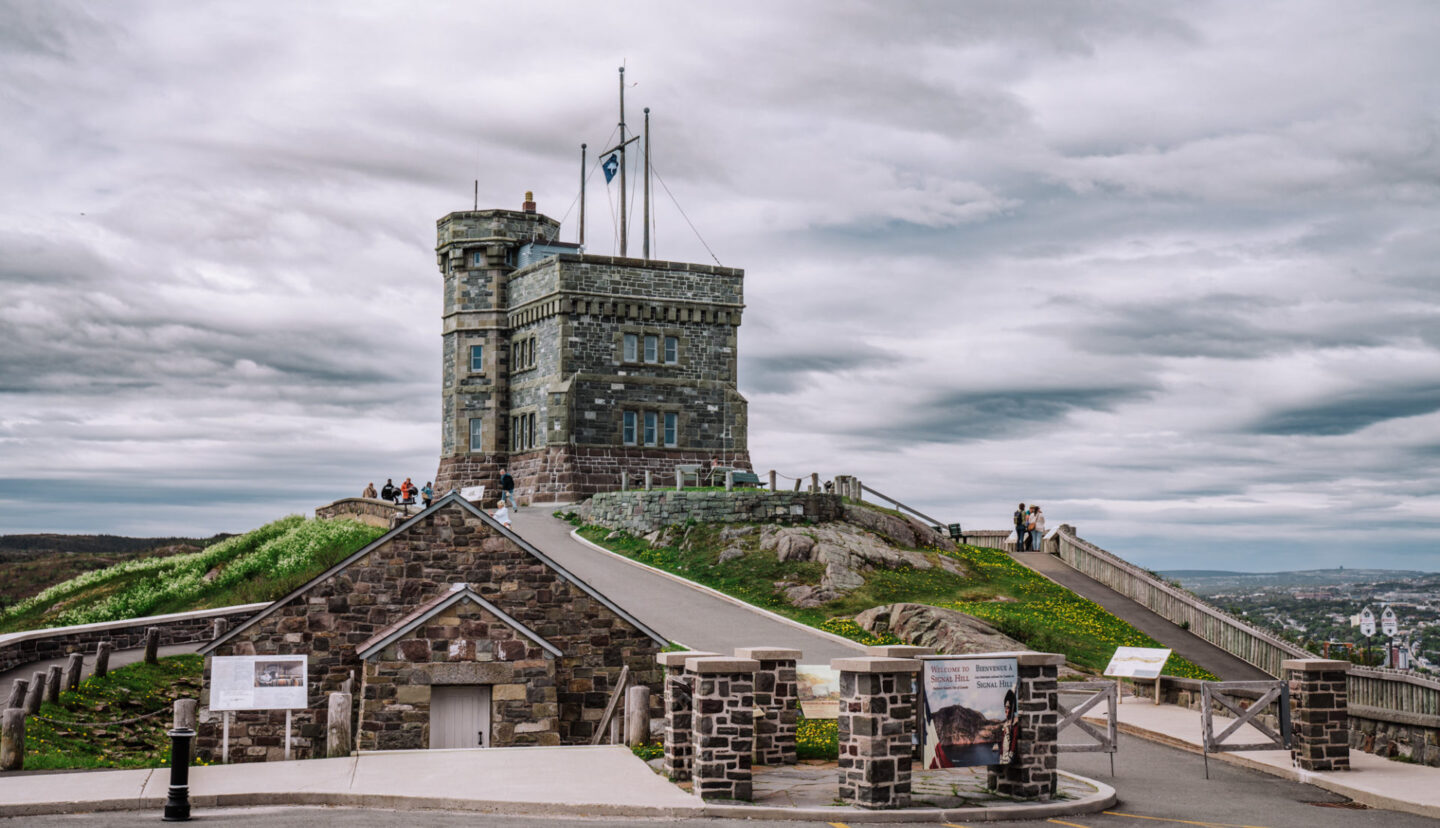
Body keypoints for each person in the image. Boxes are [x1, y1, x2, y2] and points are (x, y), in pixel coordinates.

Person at [997, 689, 1019, 765]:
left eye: (1008, 708)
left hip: (1010, 757)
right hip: (1003, 756)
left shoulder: (1015, 722)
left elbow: (1014, 739)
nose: (1006, 710)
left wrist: (1011, 755)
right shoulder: (1006, 724)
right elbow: (1003, 741)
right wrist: (1000, 755)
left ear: (1012, 708)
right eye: (1005, 707)